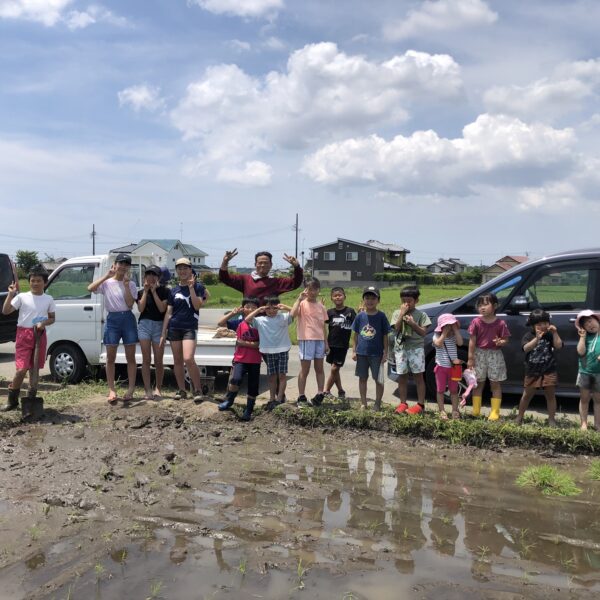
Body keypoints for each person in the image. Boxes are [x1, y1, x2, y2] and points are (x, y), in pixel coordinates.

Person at [1, 265, 55, 412]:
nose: (35, 283)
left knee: (34, 369)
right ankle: (12, 400)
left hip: (39, 335)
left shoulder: (48, 299)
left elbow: (52, 318)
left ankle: (31, 398)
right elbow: (6, 311)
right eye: (32, 280)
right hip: (24, 335)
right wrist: (10, 294)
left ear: (44, 282)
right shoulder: (21, 297)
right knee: (21, 369)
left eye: (38, 280)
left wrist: (43, 323)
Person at [88, 253, 138, 404]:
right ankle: (112, 389)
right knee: (110, 357)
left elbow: (130, 304)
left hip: (128, 318)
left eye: (126, 264)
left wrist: (127, 286)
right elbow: (90, 288)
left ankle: (130, 389)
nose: (122, 266)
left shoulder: (132, 284)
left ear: (129, 267)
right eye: (120, 263)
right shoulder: (107, 283)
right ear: (115, 264)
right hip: (112, 319)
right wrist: (106, 276)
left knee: (131, 357)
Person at [160, 258, 207, 402]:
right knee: (177, 361)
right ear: (176, 271)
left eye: (185, 268)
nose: (182, 271)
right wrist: (163, 333)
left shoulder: (198, 286)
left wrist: (192, 288)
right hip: (174, 327)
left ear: (190, 269)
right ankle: (181, 390)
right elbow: (168, 312)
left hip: (189, 327)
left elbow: (197, 306)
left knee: (188, 358)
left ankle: (197, 390)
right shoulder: (173, 290)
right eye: (179, 268)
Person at [515, 309, 562, 426]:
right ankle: (519, 417)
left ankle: (551, 419)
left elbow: (559, 346)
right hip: (532, 370)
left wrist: (555, 333)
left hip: (549, 369)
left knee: (550, 395)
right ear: (532, 325)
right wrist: (537, 338)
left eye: (545, 323)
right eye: (539, 324)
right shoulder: (528, 335)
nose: (543, 326)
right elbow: (525, 348)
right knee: (527, 395)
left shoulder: (550, 335)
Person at [245, 296, 294, 410]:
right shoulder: (260, 320)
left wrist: (284, 307)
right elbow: (247, 319)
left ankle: (279, 399)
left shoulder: (283, 317)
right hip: (268, 351)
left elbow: (297, 311)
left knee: (282, 375)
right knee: (272, 377)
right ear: (264, 308)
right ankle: (272, 399)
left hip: (282, 350)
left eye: (274, 308)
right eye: (268, 308)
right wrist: (258, 310)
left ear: (278, 307)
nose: (271, 311)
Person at [467, 293, 510, 420]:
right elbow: (472, 340)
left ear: (495, 306)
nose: (482, 308)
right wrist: (470, 358)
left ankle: (495, 412)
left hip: (495, 355)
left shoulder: (500, 323)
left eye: (486, 304)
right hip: (479, 354)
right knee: (478, 383)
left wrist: (501, 342)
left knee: (495, 384)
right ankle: (476, 410)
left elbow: (506, 340)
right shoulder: (476, 321)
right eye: (480, 305)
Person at [218, 296, 261, 421]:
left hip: (255, 360)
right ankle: (229, 401)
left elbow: (259, 344)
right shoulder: (238, 322)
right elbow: (220, 323)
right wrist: (232, 313)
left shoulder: (260, 323)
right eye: (248, 307)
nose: (251, 309)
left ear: (258, 309)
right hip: (240, 358)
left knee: (253, 386)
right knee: (235, 379)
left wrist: (243, 343)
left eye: (254, 307)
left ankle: (249, 409)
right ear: (243, 309)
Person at [391, 286, 431, 415]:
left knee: (418, 376)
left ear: (416, 300)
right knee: (402, 376)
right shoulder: (397, 313)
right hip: (401, 349)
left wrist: (413, 324)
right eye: (404, 301)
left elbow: (423, 333)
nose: (406, 304)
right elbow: (395, 329)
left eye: (409, 301)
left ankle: (420, 404)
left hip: (416, 349)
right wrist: (402, 314)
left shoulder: (421, 315)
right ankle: (403, 403)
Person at [291, 278, 329, 406]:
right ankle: (301, 396)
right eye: (310, 289)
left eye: (315, 289)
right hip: (307, 339)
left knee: (319, 368)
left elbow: (323, 326)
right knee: (305, 370)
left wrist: (326, 343)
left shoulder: (321, 306)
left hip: (319, 340)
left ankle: (320, 394)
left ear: (319, 290)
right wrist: (299, 299)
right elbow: (292, 314)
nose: (313, 292)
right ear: (305, 290)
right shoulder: (302, 303)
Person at [351, 286, 390, 411]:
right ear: (363, 300)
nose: (370, 301)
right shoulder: (360, 316)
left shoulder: (381, 316)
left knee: (378, 379)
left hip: (377, 354)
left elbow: (385, 335)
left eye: (373, 298)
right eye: (367, 298)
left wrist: (385, 352)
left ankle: (377, 403)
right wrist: (353, 350)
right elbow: (356, 335)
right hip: (361, 353)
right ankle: (364, 403)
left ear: (378, 300)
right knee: (363, 378)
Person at [219, 249, 303, 302]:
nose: (263, 265)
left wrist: (297, 267)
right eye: (260, 263)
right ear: (255, 264)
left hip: (269, 322)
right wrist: (225, 262)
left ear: (271, 265)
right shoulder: (245, 280)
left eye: (266, 263)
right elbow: (225, 278)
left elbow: (295, 283)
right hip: (250, 321)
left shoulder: (276, 282)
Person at [136, 265, 169, 400]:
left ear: (158, 277)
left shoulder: (165, 291)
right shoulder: (139, 292)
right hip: (144, 325)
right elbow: (140, 308)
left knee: (158, 360)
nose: (151, 277)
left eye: (154, 275)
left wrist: (154, 292)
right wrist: (145, 291)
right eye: (148, 274)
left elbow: (162, 309)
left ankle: (158, 389)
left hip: (159, 326)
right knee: (146, 359)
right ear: (144, 277)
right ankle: (147, 389)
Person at [324, 287, 356, 400]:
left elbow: (357, 325)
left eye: (340, 295)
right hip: (331, 344)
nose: (337, 297)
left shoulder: (350, 311)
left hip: (342, 345)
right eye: (335, 295)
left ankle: (326, 391)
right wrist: (321, 309)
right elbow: (321, 323)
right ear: (331, 298)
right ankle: (341, 391)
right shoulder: (329, 312)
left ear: (344, 297)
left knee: (334, 369)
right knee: (335, 370)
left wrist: (362, 313)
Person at [432, 313, 463, 420]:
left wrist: (456, 330)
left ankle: (455, 410)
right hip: (441, 367)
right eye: (447, 326)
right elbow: (438, 344)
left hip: (454, 367)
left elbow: (460, 343)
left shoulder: (454, 336)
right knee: (440, 390)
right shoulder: (436, 335)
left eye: (451, 326)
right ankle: (442, 411)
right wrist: (444, 333)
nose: (449, 328)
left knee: (454, 390)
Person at [575, 309, 600, 431]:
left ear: (597, 319)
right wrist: (582, 337)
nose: (590, 325)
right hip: (585, 371)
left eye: (591, 321)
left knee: (598, 400)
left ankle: (597, 424)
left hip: (599, 373)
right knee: (584, 399)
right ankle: (583, 423)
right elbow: (580, 352)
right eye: (586, 324)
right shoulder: (586, 337)